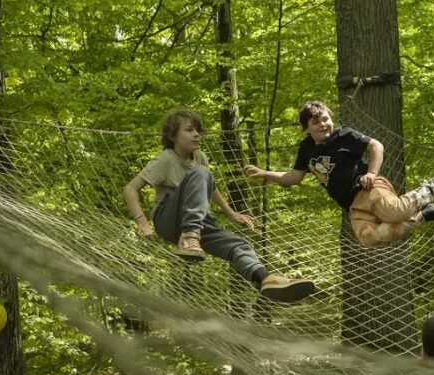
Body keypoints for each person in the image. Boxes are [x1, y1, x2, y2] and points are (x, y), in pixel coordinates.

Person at [123, 109, 316, 303]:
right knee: (201, 173)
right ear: (173, 136)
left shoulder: (200, 157)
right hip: (169, 220)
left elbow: (210, 187)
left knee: (240, 245)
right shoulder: (166, 159)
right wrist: (142, 222)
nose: (196, 134)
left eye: (198, 130)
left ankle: (266, 279)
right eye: (189, 130)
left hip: (198, 223)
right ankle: (190, 237)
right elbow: (130, 189)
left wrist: (232, 214)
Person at [243, 100, 434, 247]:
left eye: (326, 119)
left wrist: (372, 173)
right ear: (306, 127)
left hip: (368, 188)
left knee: (394, 212)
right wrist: (264, 173)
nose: (323, 124)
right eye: (316, 122)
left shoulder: (343, 135)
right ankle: (424, 215)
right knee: (368, 238)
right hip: (351, 204)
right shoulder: (306, 150)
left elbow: (376, 146)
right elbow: (293, 177)